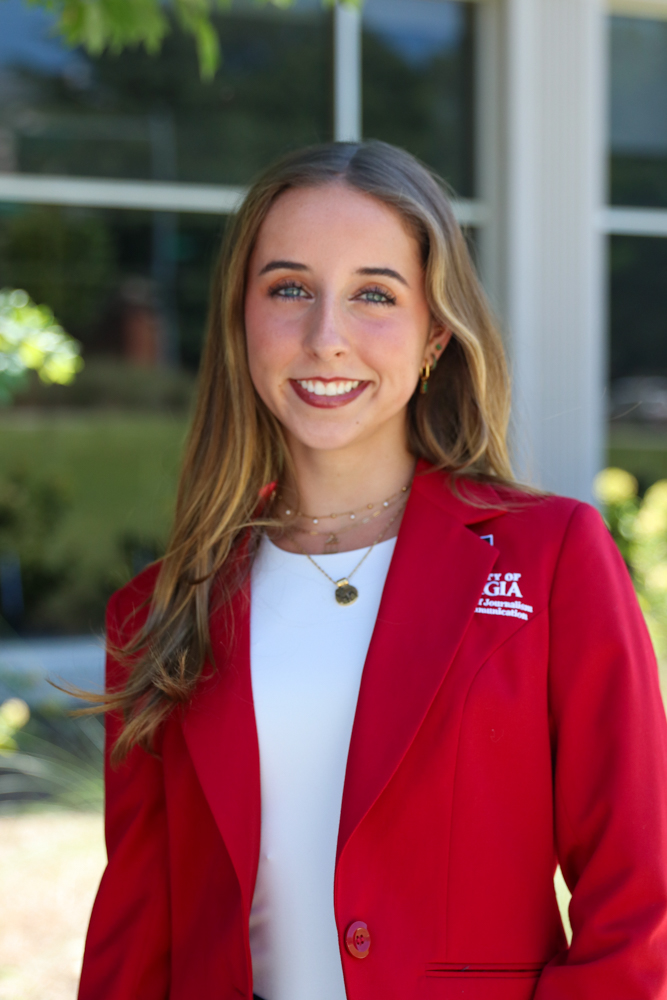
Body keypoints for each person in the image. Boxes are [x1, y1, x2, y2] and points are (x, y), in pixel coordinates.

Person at [78, 140, 667, 1000]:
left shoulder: (551, 559)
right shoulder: (160, 611)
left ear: (435, 332)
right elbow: (135, 937)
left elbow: (637, 897)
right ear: (241, 318)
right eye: (289, 289)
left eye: (372, 295)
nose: (326, 338)